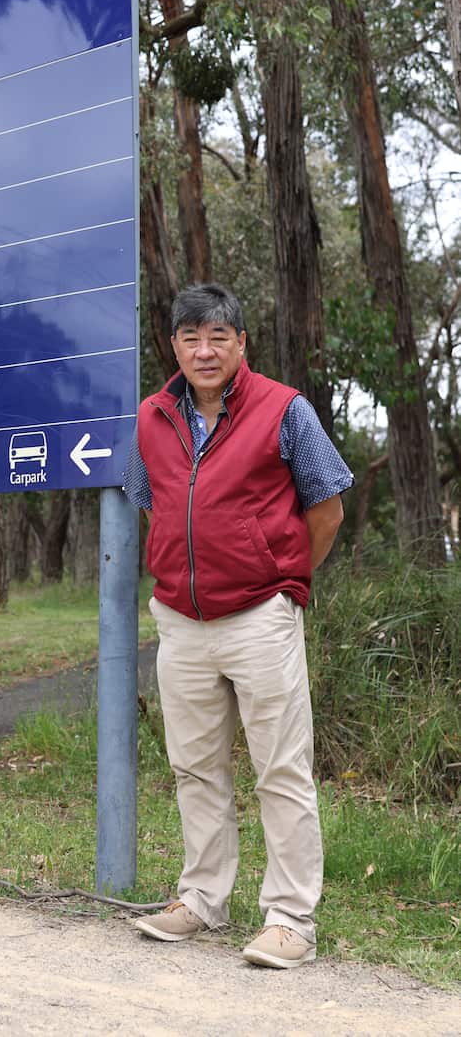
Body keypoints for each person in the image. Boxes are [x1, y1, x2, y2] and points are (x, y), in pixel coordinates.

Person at [124, 283, 352, 969]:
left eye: (219, 336)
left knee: (280, 770)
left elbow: (328, 512)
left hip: (260, 617)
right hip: (182, 623)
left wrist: (279, 579)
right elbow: (155, 507)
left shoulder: (286, 411)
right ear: (174, 346)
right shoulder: (151, 416)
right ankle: (201, 901)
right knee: (194, 767)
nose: (204, 349)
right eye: (191, 337)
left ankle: (290, 921)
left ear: (241, 343)